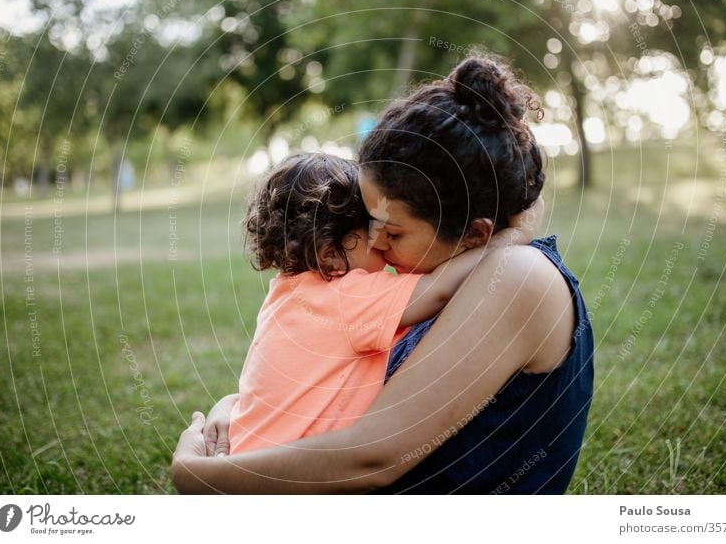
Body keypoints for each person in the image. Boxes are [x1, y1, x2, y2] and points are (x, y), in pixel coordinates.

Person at [172, 54, 593, 494]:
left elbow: (373, 456)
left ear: (475, 235)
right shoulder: (444, 279)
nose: (376, 244)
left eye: (393, 232)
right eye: (370, 223)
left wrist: (196, 475)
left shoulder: (514, 274)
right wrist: (237, 408)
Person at [227, 152, 530, 454]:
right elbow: (438, 290)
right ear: (329, 252)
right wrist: (511, 237)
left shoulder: (285, 292)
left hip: (249, 456)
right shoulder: (346, 294)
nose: (383, 242)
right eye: (373, 230)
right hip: (291, 477)